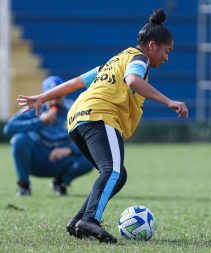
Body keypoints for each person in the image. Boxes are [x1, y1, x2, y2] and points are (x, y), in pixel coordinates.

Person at [17, 8, 188, 244]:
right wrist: (170, 101)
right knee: (113, 171)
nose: (167, 57)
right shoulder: (140, 60)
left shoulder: (114, 61)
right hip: (99, 116)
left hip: (78, 119)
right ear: (151, 46)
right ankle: (90, 220)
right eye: (166, 51)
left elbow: (76, 82)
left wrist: (42, 98)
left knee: (117, 174)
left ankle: (79, 221)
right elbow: (134, 81)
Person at [4, 76, 93, 196]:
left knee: (92, 155)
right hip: (38, 158)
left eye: (58, 96)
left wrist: (70, 149)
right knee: (19, 140)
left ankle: (61, 182)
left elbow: (87, 135)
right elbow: (8, 128)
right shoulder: (35, 108)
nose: (54, 101)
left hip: (62, 160)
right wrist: (40, 122)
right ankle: (24, 185)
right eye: (50, 97)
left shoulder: (73, 108)